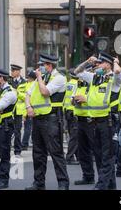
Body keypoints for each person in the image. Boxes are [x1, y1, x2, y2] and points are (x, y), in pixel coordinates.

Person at [74, 52, 121, 190]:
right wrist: (87, 62)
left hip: (108, 122)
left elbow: (118, 71)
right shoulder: (95, 77)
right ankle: (110, 186)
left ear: (107, 65)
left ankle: (101, 186)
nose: (97, 66)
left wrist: (115, 62)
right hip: (95, 121)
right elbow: (77, 72)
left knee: (107, 156)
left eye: (100, 63)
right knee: (99, 155)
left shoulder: (114, 79)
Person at [25, 54, 69, 190]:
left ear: (49, 65)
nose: (40, 68)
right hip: (38, 119)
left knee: (56, 152)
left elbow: (45, 92)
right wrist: (28, 107)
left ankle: (63, 183)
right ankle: (38, 183)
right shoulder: (42, 78)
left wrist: (38, 78)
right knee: (38, 153)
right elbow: (28, 94)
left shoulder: (60, 78)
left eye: (42, 65)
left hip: (52, 119)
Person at [10, 64, 26, 156]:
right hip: (10, 109)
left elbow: (26, 96)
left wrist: (17, 93)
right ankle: (4, 150)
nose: (12, 72)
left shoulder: (24, 82)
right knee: (7, 130)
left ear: (18, 72)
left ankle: (17, 150)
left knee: (17, 131)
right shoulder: (9, 81)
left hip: (19, 110)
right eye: (11, 71)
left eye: (14, 71)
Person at [63, 69, 79, 165]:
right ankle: (69, 157)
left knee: (72, 134)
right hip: (74, 111)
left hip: (67, 111)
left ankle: (77, 156)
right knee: (75, 136)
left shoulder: (68, 84)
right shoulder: (77, 84)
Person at [21, 70, 36, 151]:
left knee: (28, 128)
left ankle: (24, 144)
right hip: (31, 109)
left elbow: (26, 100)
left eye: (29, 77)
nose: (28, 79)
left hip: (28, 109)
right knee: (30, 128)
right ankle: (25, 143)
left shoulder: (28, 85)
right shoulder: (32, 85)